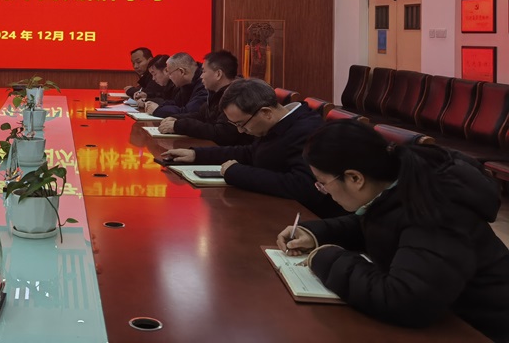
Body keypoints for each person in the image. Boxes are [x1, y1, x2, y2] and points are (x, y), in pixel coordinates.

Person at [276, 121, 509, 341]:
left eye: (323, 183)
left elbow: (407, 301)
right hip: (449, 315)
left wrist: (326, 258)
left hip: (482, 329)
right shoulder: (398, 186)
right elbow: (380, 226)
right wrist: (316, 234)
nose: (323, 191)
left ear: (355, 178)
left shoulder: (434, 211)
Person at [161, 78, 344, 218]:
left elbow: (302, 186)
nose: (241, 131)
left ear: (266, 113)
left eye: (242, 124)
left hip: (299, 217)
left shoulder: (306, 131)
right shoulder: (277, 124)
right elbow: (251, 153)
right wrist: (196, 154)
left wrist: (237, 173)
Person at [157, 50, 252, 146]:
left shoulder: (236, 97)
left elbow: (221, 133)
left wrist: (180, 126)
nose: (201, 76)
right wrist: (175, 118)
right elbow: (201, 115)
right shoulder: (215, 93)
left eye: (204, 71)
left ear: (218, 74)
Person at [144, 52, 207, 118]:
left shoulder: (205, 84)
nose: (169, 77)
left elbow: (188, 112)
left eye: (170, 73)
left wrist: (157, 110)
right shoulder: (186, 83)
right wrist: (157, 106)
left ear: (181, 72)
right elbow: (176, 103)